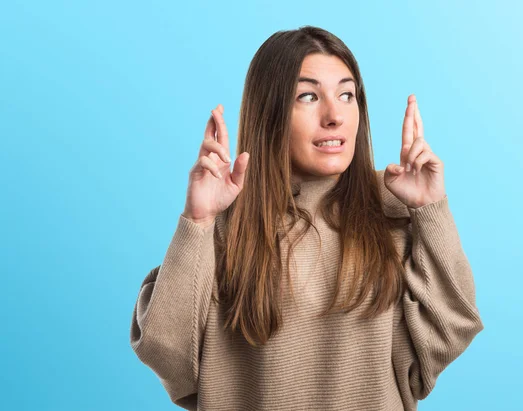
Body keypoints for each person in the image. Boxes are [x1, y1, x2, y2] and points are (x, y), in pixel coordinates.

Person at [129, 25, 484, 411]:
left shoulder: (392, 212)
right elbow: (169, 358)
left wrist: (431, 210)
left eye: (347, 95)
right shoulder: (225, 226)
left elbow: (448, 335)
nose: (334, 116)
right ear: (271, 113)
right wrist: (197, 222)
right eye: (309, 96)